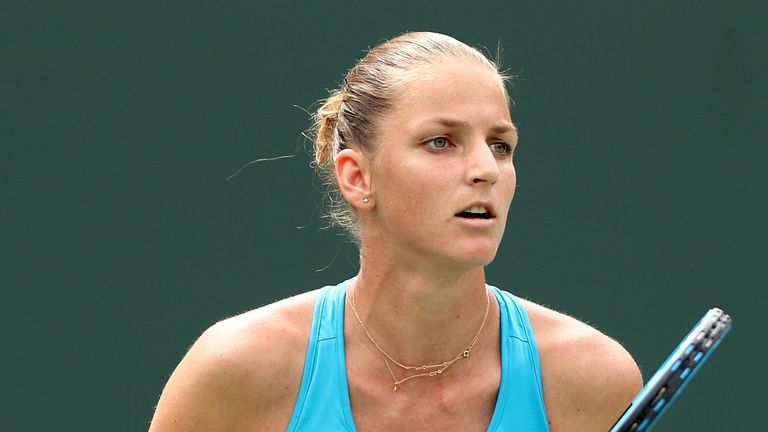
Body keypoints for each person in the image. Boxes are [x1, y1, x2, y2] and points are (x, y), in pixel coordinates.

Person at [149, 31, 642, 431]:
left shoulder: (592, 378)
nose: (485, 169)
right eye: (440, 142)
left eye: (500, 145)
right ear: (357, 176)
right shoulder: (235, 370)